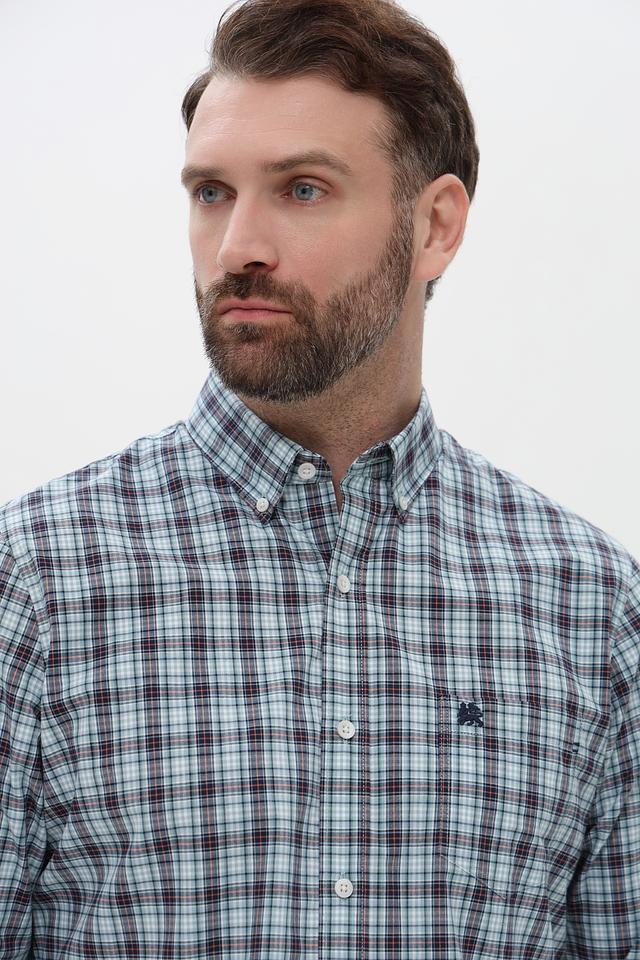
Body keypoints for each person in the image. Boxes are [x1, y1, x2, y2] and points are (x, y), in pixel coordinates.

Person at [1, 0, 638, 955]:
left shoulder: (590, 605)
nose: (236, 248)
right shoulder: (35, 582)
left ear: (436, 226)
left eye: (301, 189)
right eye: (211, 192)